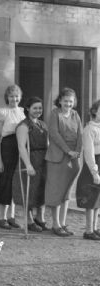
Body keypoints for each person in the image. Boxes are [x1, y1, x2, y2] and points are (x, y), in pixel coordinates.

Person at [45, 87, 82, 237]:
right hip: (57, 157)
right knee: (56, 191)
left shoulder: (75, 114)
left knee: (66, 192)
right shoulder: (55, 114)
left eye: (71, 101)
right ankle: (55, 224)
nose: (68, 103)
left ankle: (63, 222)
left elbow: (80, 134)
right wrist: (68, 151)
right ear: (60, 101)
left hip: (72, 158)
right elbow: (54, 134)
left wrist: (77, 152)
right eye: (65, 100)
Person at [12, 97, 49, 232]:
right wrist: (28, 165)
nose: (38, 110)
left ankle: (40, 218)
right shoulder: (23, 126)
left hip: (43, 160)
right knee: (30, 190)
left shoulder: (43, 125)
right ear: (28, 108)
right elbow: (21, 147)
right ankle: (29, 220)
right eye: (35, 108)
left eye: (40, 108)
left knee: (41, 189)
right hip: (30, 159)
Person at [0, 84, 25, 229]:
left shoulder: (22, 112)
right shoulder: (2, 112)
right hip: (6, 146)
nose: (14, 99)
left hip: (19, 147)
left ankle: (12, 217)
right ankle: (1, 218)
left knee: (15, 182)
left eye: (17, 96)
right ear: (7, 97)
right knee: (5, 181)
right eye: (12, 96)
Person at [76, 99, 100, 240]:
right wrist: (94, 172)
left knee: (98, 199)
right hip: (94, 165)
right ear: (94, 111)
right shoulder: (89, 129)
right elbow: (89, 153)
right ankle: (88, 230)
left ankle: (95, 228)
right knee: (91, 197)